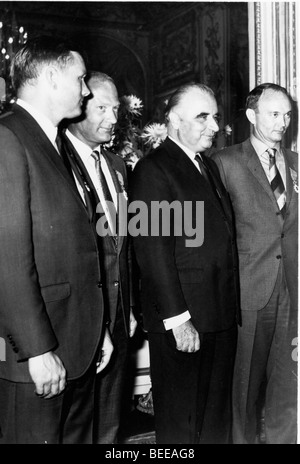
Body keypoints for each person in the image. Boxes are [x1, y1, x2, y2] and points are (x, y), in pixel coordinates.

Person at [0, 37, 112, 444]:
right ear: (50, 78)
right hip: (39, 359)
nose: (86, 90)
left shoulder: (54, 140)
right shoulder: (9, 137)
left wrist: (96, 331)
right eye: (80, 79)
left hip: (76, 348)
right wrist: (36, 350)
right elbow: (8, 258)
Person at [130, 83, 240, 444]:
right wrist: (178, 320)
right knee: (181, 426)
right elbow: (152, 252)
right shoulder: (152, 170)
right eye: (202, 117)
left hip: (218, 316)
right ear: (174, 121)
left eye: (215, 117)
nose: (214, 126)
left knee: (214, 422)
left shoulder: (205, 165)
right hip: (185, 321)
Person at [212, 83, 298, 444]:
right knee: (244, 391)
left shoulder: (295, 162)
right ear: (251, 116)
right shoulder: (225, 162)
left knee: (288, 387)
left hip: (292, 294)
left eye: (288, 115)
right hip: (249, 294)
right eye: (274, 114)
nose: (283, 122)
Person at [61, 71, 137, 444]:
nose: (112, 118)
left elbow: (125, 244)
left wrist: (130, 307)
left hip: (120, 317)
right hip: (80, 321)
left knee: (110, 421)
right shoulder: (56, 162)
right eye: (102, 108)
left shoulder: (118, 166)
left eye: (116, 109)